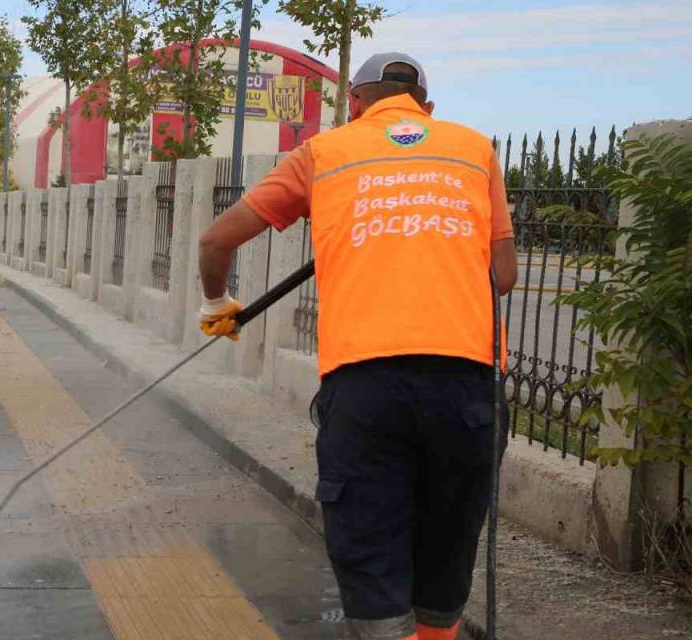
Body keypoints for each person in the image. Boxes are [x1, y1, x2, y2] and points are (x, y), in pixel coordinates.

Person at [197, 53, 516, 640]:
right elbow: (503, 276)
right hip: (464, 383)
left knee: (372, 554)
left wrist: (219, 306)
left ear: (354, 103)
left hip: (365, 387)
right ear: (427, 107)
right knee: (446, 556)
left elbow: (216, 240)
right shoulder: (474, 149)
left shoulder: (325, 153)